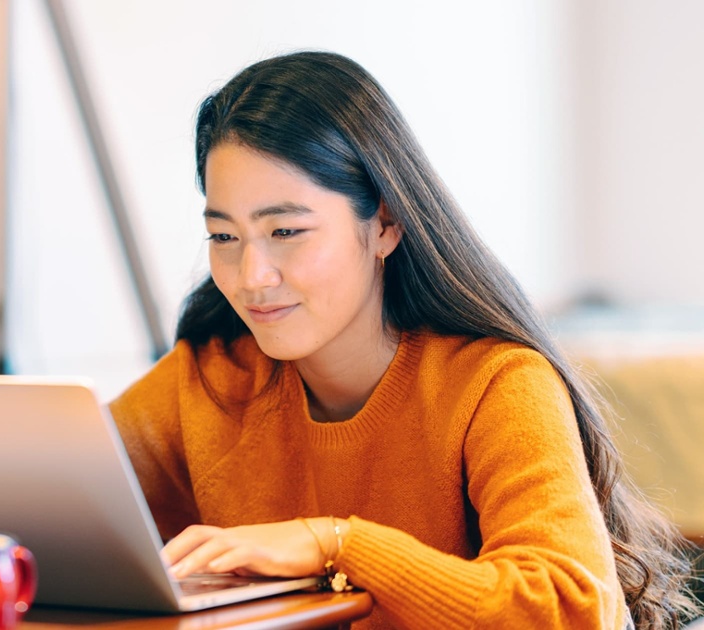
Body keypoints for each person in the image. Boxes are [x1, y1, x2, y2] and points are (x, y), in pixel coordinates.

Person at [109, 51, 700, 629]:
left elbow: (569, 610)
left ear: (386, 222)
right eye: (223, 236)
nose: (251, 276)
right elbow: (54, 499)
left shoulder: (495, 382)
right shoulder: (212, 377)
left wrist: (335, 543)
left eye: (285, 231)